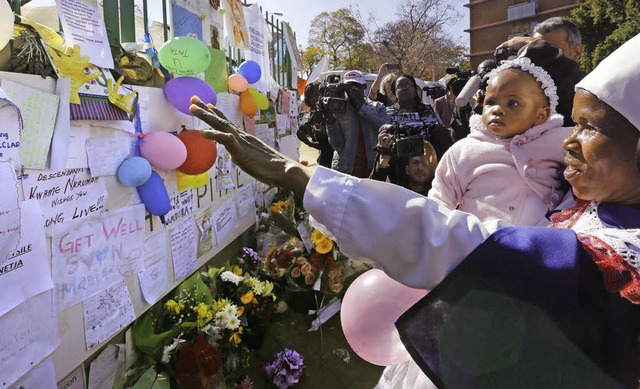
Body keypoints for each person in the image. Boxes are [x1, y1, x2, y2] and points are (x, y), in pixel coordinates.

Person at [190, 32, 640, 388]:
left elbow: (461, 242)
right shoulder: (588, 199)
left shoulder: (622, 257)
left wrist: (295, 174)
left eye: (590, 127)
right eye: (575, 123)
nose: (569, 141)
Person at [429, 54, 571, 226]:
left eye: (512, 103)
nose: (497, 110)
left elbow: (587, 176)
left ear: (541, 115)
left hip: (541, 242)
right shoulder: (466, 150)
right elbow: (440, 200)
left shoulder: (559, 141)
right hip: (480, 243)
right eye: (490, 102)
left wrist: (562, 217)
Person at [375, 74, 454, 185]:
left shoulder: (428, 109)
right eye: (400, 86)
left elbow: (442, 134)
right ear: (394, 94)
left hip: (427, 165)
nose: (405, 88)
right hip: (400, 169)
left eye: (408, 85)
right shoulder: (388, 113)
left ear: (415, 89)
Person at [324, 70, 388, 178]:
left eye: (356, 86)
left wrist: (361, 106)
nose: (352, 90)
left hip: (372, 169)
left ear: (364, 87)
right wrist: (330, 120)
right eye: (349, 86)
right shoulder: (340, 109)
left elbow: (384, 128)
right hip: (345, 170)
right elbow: (337, 145)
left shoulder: (378, 107)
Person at [370, 134, 437, 196]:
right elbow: (372, 193)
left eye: (425, 164)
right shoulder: (396, 192)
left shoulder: (438, 194)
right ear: (407, 169)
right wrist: (383, 163)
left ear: (432, 171)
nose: (420, 167)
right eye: (415, 163)